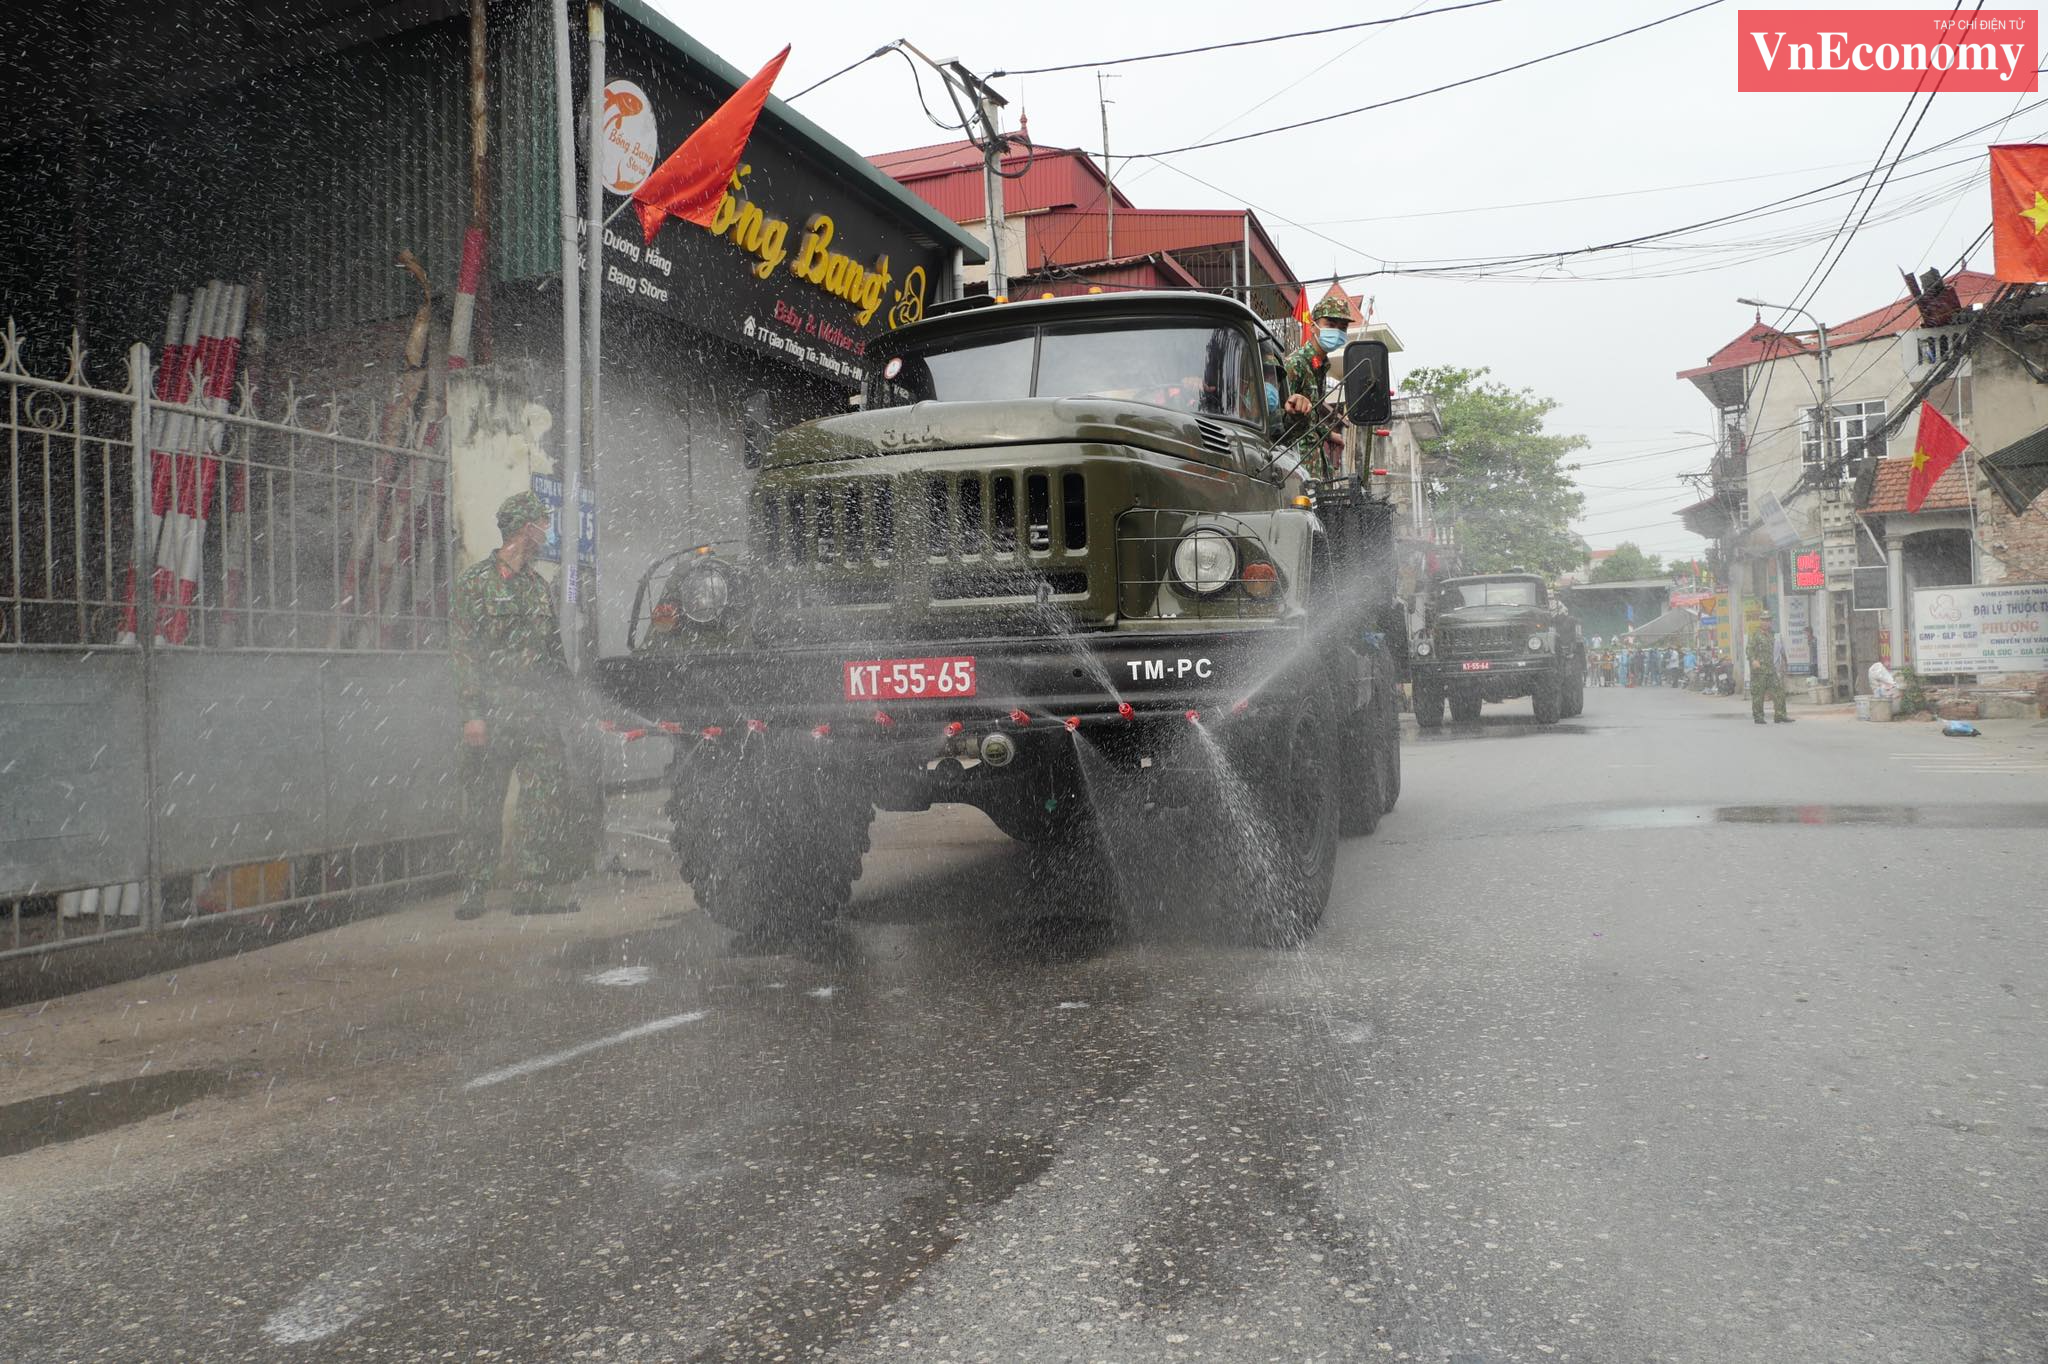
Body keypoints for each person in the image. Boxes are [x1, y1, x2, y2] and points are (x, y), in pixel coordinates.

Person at [449, 491, 590, 918]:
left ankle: (531, 888)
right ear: (523, 528)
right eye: (541, 523)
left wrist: (573, 701)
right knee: (483, 805)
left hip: (537, 718)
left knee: (541, 803)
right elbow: (462, 652)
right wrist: (472, 713)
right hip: (491, 717)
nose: (546, 531)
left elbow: (551, 654)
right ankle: (474, 888)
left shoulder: (538, 586)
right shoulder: (474, 584)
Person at [1278, 297, 1354, 481]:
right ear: (1313, 326)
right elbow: (1278, 422)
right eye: (1330, 324)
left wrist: (1328, 434)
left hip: (1313, 469)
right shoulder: (1295, 365)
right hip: (1294, 471)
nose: (1336, 331)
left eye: (1342, 328)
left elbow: (1309, 420)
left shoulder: (1319, 367)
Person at [1748, 610, 1793, 725]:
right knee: (1759, 694)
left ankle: (1780, 715)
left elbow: (1777, 650)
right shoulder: (1755, 635)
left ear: (1771, 622)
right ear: (1760, 621)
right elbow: (1749, 649)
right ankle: (1758, 717)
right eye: (1764, 620)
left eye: (1768, 620)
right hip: (1759, 670)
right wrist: (1753, 660)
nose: (1766, 622)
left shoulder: (1772, 634)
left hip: (1771, 669)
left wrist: (1782, 662)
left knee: (1779, 691)